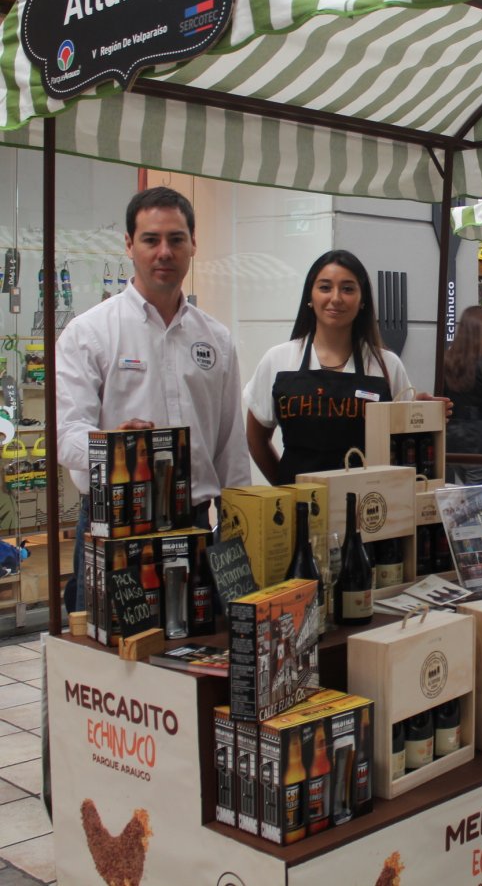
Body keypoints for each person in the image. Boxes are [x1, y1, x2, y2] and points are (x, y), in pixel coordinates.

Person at [56, 186, 252, 612]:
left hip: (198, 527)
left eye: (176, 239)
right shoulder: (89, 333)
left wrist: (239, 531)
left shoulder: (216, 339)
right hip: (116, 529)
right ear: (129, 244)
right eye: (151, 239)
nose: (164, 251)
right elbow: (66, 436)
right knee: (113, 667)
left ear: (193, 244)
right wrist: (111, 447)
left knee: (197, 666)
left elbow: (231, 447)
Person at [244, 250, 420, 484]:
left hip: (368, 507)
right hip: (299, 509)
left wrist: (424, 413)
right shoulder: (278, 359)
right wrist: (284, 488)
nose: (336, 298)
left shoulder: (387, 365)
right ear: (310, 296)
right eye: (325, 287)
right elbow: (256, 439)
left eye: (348, 289)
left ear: (362, 300)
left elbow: (406, 441)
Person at [442, 306, 482, 485]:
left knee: (471, 496)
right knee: (478, 503)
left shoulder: (449, 359)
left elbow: (442, 398)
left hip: (453, 441)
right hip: (480, 441)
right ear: (479, 328)